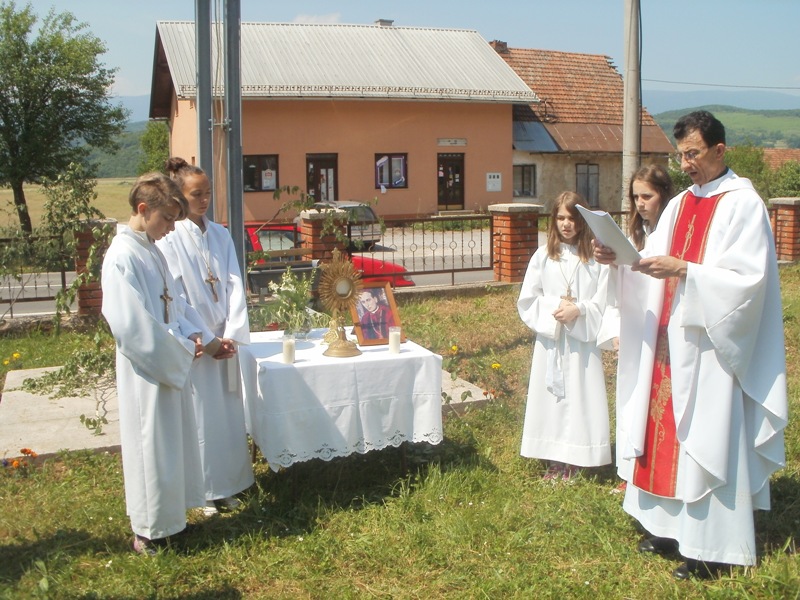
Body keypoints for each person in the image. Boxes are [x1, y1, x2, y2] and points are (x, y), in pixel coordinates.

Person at [594, 110, 787, 579]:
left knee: (704, 438)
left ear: (721, 150)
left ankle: (711, 548)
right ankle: (666, 526)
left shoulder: (744, 204)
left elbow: (749, 282)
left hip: (711, 345)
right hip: (668, 342)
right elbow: (650, 259)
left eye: (694, 154)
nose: (686, 164)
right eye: (681, 154)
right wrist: (617, 259)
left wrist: (686, 271)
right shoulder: (680, 204)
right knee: (659, 434)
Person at [101, 173, 236, 555]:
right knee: (151, 447)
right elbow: (129, 324)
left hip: (170, 362)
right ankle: (148, 532)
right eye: (165, 220)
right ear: (143, 210)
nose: (170, 230)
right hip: (148, 369)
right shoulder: (122, 256)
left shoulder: (150, 249)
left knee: (171, 446)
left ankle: (171, 522)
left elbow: (175, 303)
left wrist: (202, 341)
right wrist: (177, 348)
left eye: (175, 221)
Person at [157, 157, 254, 516]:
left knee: (227, 415)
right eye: (196, 193)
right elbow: (176, 294)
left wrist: (231, 333)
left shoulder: (220, 233)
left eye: (208, 193)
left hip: (224, 339)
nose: (204, 200)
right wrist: (206, 339)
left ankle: (228, 485)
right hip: (200, 341)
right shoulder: (171, 237)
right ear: (179, 197)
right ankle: (204, 490)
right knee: (200, 416)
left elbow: (233, 282)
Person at [517, 191, 611, 481]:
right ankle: (554, 457)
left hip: (581, 342)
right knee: (553, 399)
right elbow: (528, 299)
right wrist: (557, 309)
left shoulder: (595, 258)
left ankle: (580, 455)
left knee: (581, 397)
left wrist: (579, 310)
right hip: (553, 340)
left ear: (582, 221)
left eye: (572, 218)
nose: (566, 224)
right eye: (560, 217)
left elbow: (604, 300)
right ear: (553, 220)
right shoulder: (543, 256)